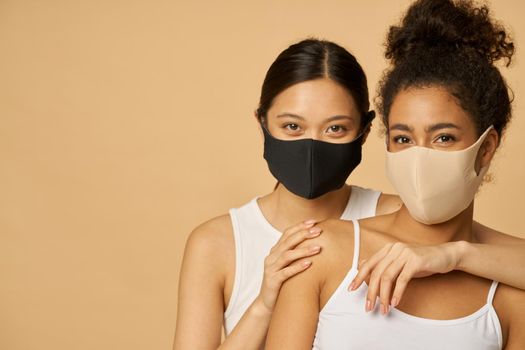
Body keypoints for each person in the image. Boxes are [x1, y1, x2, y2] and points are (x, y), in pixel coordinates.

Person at [265, 0, 525, 349]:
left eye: (443, 137)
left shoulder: (507, 288)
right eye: (403, 138)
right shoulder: (321, 250)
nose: (419, 155)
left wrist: (454, 255)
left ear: (486, 147)